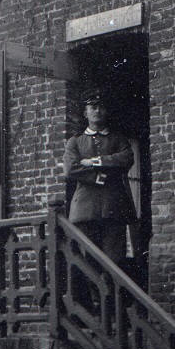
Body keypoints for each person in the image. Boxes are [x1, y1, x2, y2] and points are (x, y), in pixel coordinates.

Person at [63, 89, 136, 264]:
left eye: (101, 107)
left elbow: (126, 158)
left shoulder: (118, 139)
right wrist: (98, 177)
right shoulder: (75, 141)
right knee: (88, 262)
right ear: (85, 113)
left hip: (114, 208)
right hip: (85, 210)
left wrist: (95, 161)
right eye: (93, 107)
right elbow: (71, 168)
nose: (97, 111)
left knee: (114, 261)